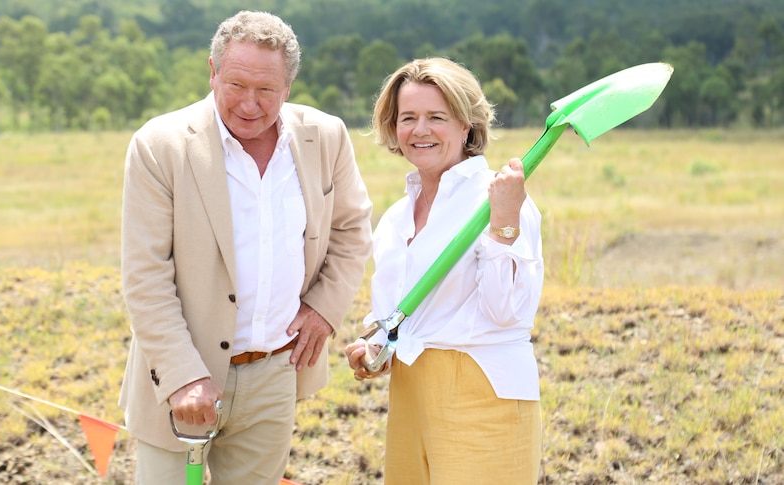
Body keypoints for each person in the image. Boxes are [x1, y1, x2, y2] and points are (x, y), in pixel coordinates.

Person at [118, 10, 372, 484]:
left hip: (276, 374)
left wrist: (324, 307)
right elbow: (144, 275)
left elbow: (353, 229)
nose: (250, 104)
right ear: (212, 72)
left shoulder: (326, 136)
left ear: (288, 88)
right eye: (236, 85)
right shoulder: (160, 145)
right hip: (183, 378)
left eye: (266, 90)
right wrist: (182, 376)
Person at [345, 57, 544, 484]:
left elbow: (507, 313)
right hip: (411, 392)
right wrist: (375, 347)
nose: (420, 130)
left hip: (483, 392)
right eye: (408, 118)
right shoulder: (397, 217)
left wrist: (503, 226)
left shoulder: (500, 199)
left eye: (437, 117)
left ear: (466, 125)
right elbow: (398, 316)